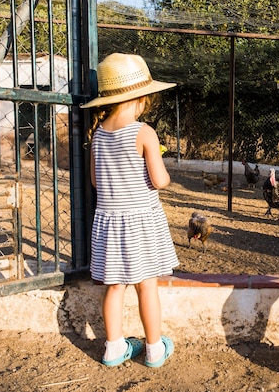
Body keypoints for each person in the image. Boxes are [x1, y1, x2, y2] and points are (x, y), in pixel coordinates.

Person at [81, 53, 179, 367]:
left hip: (109, 222)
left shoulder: (97, 135)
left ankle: (113, 348)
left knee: (114, 287)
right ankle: (153, 349)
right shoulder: (144, 132)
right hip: (140, 222)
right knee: (146, 286)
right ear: (140, 98)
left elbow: (96, 181)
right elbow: (160, 180)